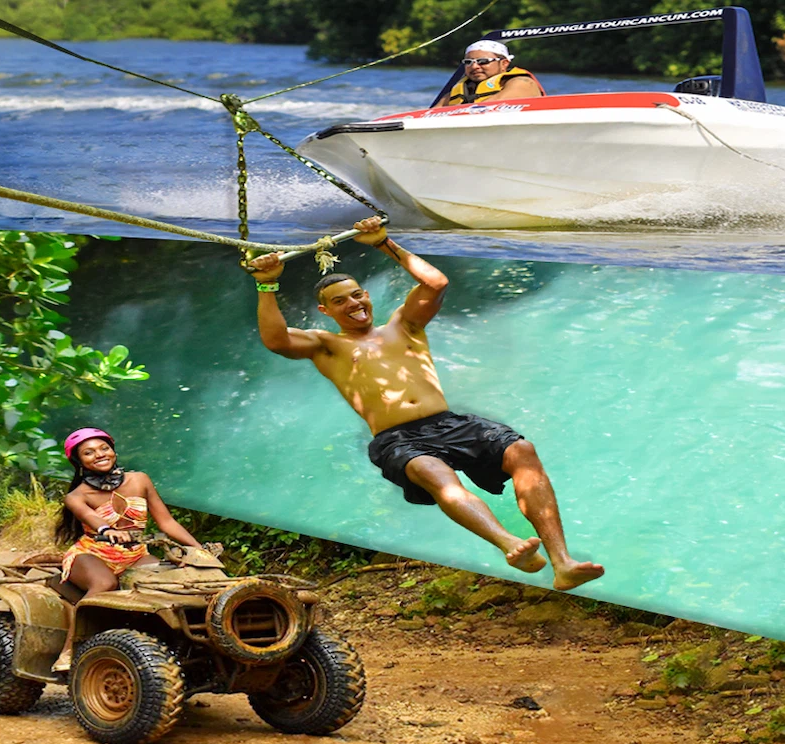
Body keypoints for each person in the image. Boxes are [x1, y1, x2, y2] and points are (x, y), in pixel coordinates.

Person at [247, 217, 603, 591]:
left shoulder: (404, 326)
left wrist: (384, 243)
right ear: (326, 311)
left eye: (357, 294)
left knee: (522, 450)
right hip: (398, 440)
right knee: (437, 477)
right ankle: (510, 544)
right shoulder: (326, 345)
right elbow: (277, 340)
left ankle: (563, 562)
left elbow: (435, 283)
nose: (353, 303)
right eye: (340, 301)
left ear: (366, 295)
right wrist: (266, 283)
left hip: (449, 422)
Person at [52, 427, 202, 671]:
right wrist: (106, 530)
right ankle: (70, 649)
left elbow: (166, 522)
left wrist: (197, 549)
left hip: (135, 555)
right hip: (92, 554)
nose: (99, 455)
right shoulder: (76, 496)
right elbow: (91, 517)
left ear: (113, 450)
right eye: (89, 452)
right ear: (78, 461)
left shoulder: (139, 479)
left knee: (171, 581)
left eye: (104, 448)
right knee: (104, 583)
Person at [435, 39, 545, 107]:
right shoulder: (458, 91)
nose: (474, 66)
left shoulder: (522, 82)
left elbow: (490, 106)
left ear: (504, 63)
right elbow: (431, 113)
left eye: (483, 61)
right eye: (468, 62)